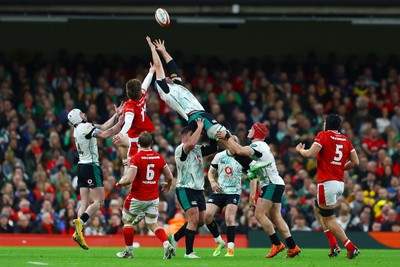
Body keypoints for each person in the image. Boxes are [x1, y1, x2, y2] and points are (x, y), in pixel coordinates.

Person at [216, 122, 301, 258]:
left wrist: (228, 136)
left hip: (271, 184)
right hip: (276, 183)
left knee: (259, 214)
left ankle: (277, 244)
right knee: (276, 217)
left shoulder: (258, 145)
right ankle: (293, 246)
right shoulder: (260, 147)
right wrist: (226, 140)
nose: (249, 130)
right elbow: (236, 154)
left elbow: (240, 151)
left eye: (251, 129)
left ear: (256, 132)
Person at [296, 114, 360, 259]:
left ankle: (350, 246)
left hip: (327, 183)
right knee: (317, 208)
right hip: (339, 183)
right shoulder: (346, 139)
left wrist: (300, 150)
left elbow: (310, 154)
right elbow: (356, 162)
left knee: (329, 219)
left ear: (327, 124)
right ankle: (333, 245)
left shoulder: (323, 135)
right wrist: (339, 168)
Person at [146, 36, 227, 140]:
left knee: (223, 138)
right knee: (224, 136)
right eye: (163, 78)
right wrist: (152, 49)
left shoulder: (176, 84)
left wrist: (163, 51)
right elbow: (158, 66)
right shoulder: (165, 91)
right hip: (195, 116)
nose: (166, 76)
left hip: (202, 114)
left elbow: (172, 66)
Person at [68, 106, 124, 250]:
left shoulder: (78, 129)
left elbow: (104, 126)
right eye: (81, 113)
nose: (84, 113)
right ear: (77, 117)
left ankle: (78, 232)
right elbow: (106, 134)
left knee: (85, 203)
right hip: (91, 166)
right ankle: (80, 223)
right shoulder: (86, 127)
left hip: (81, 166)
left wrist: (116, 115)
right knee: (99, 202)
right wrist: (121, 122)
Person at [115, 131, 175, 259]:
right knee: (153, 223)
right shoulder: (159, 157)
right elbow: (169, 176)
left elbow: (129, 179)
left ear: (138, 143)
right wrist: (168, 184)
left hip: (137, 197)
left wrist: (120, 182)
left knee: (127, 221)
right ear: (152, 143)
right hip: (153, 198)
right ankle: (166, 244)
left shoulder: (136, 158)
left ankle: (129, 252)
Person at [168, 118, 218, 258]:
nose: (197, 136)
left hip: (197, 189)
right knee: (194, 219)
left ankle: (175, 238)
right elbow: (190, 144)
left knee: (200, 221)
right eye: (193, 133)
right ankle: (188, 253)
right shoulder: (181, 148)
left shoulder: (198, 149)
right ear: (184, 136)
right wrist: (200, 126)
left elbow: (214, 148)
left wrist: (211, 132)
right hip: (185, 188)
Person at [112, 67, 156, 175]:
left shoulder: (129, 105)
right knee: (124, 148)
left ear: (128, 92)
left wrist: (121, 134)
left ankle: (128, 176)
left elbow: (128, 122)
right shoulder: (142, 95)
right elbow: (146, 83)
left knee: (128, 154)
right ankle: (128, 173)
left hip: (136, 137)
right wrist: (151, 71)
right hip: (145, 132)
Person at [205, 135, 243, 257]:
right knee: (207, 216)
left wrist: (252, 195)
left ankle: (230, 249)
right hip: (219, 191)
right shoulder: (219, 156)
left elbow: (252, 175)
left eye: (234, 142)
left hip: (233, 192)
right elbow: (211, 172)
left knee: (229, 218)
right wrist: (212, 182)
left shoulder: (243, 157)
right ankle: (219, 241)